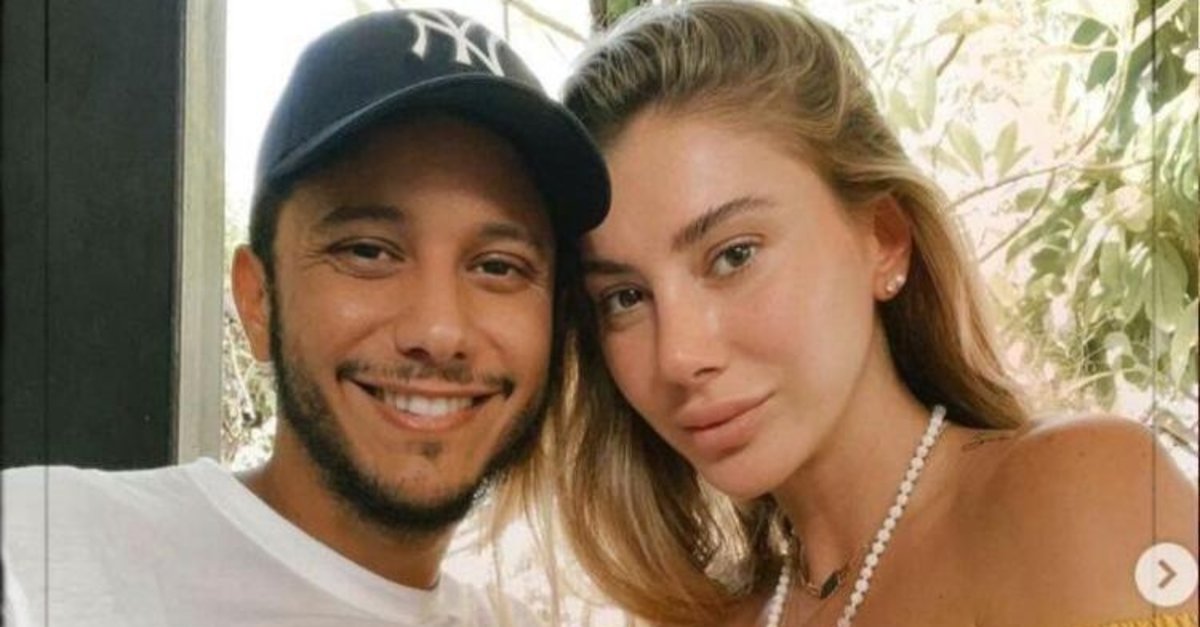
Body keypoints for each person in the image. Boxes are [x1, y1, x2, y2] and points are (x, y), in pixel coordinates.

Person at [552, 2, 1198, 626]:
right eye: (625, 297)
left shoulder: (1078, 492)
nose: (678, 355)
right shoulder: (707, 618)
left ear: (883, 238)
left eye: (733, 255)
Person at [2, 8, 608, 626]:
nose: (439, 331)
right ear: (258, 299)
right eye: (367, 251)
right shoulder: (39, 556)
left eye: (499, 266)